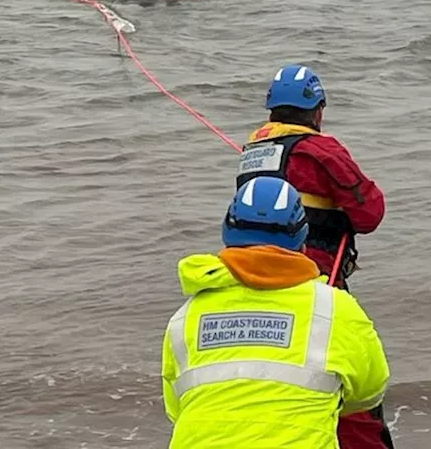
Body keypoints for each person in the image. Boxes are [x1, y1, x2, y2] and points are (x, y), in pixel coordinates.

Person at [161, 176, 390, 448]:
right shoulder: (336, 308)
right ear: (302, 241)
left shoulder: (185, 317)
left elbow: (176, 409)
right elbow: (370, 391)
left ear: (227, 236)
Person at [236, 64, 393, 449]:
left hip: (248, 276)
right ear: (317, 109)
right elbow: (370, 213)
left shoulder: (252, 150)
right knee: (347, 375)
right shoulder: (321, 150)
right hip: (315, 275)